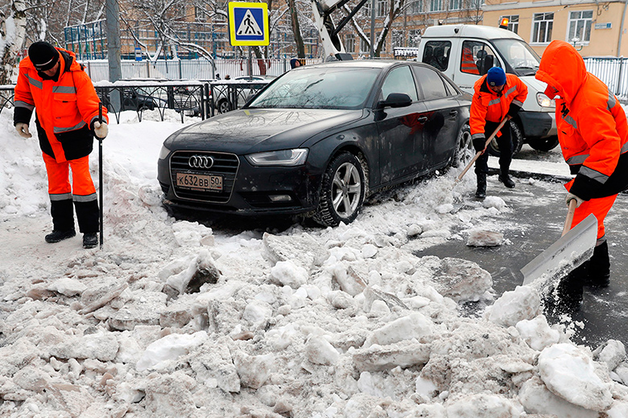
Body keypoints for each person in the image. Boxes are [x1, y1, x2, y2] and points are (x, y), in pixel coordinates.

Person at [535, 40, 628, 313]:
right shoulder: (571, 91)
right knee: (592, 222)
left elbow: (606, 146)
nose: (552, 89)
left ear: (567, 75)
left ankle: (568, 297)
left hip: (609, 169)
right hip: (599, 167)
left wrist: (583, 185)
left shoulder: (587, 100)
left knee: (577, 229)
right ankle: (599, 275)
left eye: (555, 82)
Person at [13, 41, 109, 249]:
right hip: (48, 136)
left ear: (57, 58)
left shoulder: (76, 74)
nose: (50, 71)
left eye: (52, 66)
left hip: (75, 136)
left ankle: (90, 230)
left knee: (82, 183)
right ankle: (63, 227)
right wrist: (21, 118)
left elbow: (90, 105)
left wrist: (98, 122)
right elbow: (24, 94)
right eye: (44, 69)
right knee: (57, 185)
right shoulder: (28, 69)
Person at [470, 66, 528, 199]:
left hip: (503, 120)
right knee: (482, 153)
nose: (496, 89)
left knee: (508, 148)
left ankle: (504, 175)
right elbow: (476, 118)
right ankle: (481, 185)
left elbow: (523, 91)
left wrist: (514, 108)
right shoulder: (480, 94)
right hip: (486, 123)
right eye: (493, 87)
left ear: (504, 82)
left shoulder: (512, 81)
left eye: (499, 86)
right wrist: (478, 139)